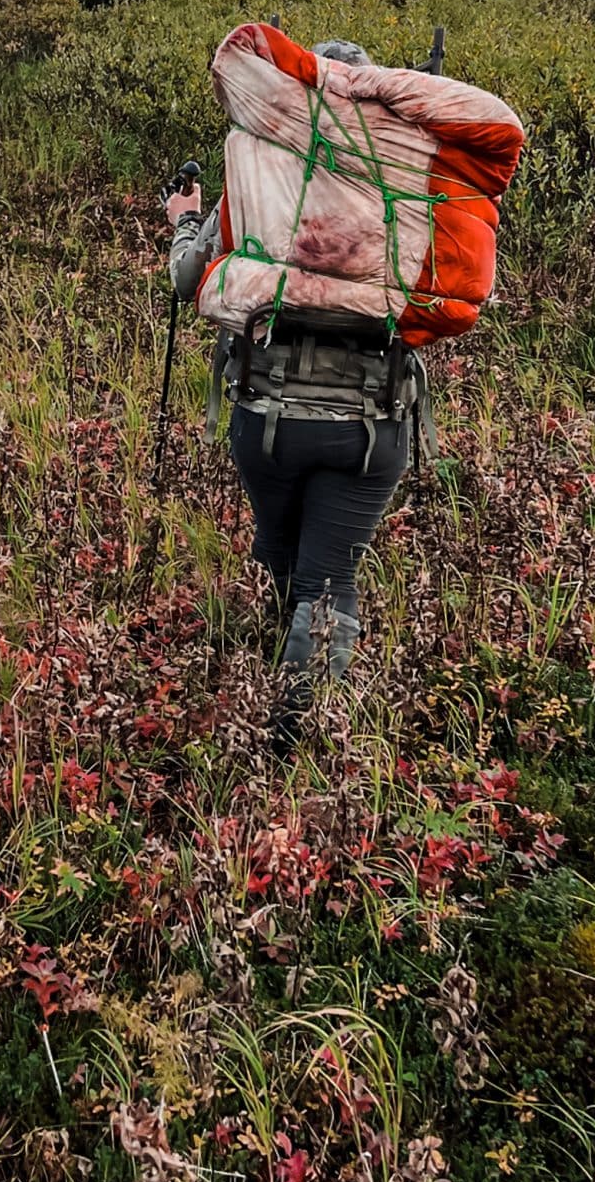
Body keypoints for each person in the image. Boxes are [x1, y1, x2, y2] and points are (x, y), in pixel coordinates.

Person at [165, 37, 421, 748]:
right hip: (370, 425)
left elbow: (188, 280)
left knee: (279, 550)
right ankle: (297, 737)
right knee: (329, 577)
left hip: (267, 415)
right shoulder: (402, 184)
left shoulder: (260, 171)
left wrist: (186, 220)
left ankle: (277, 714)